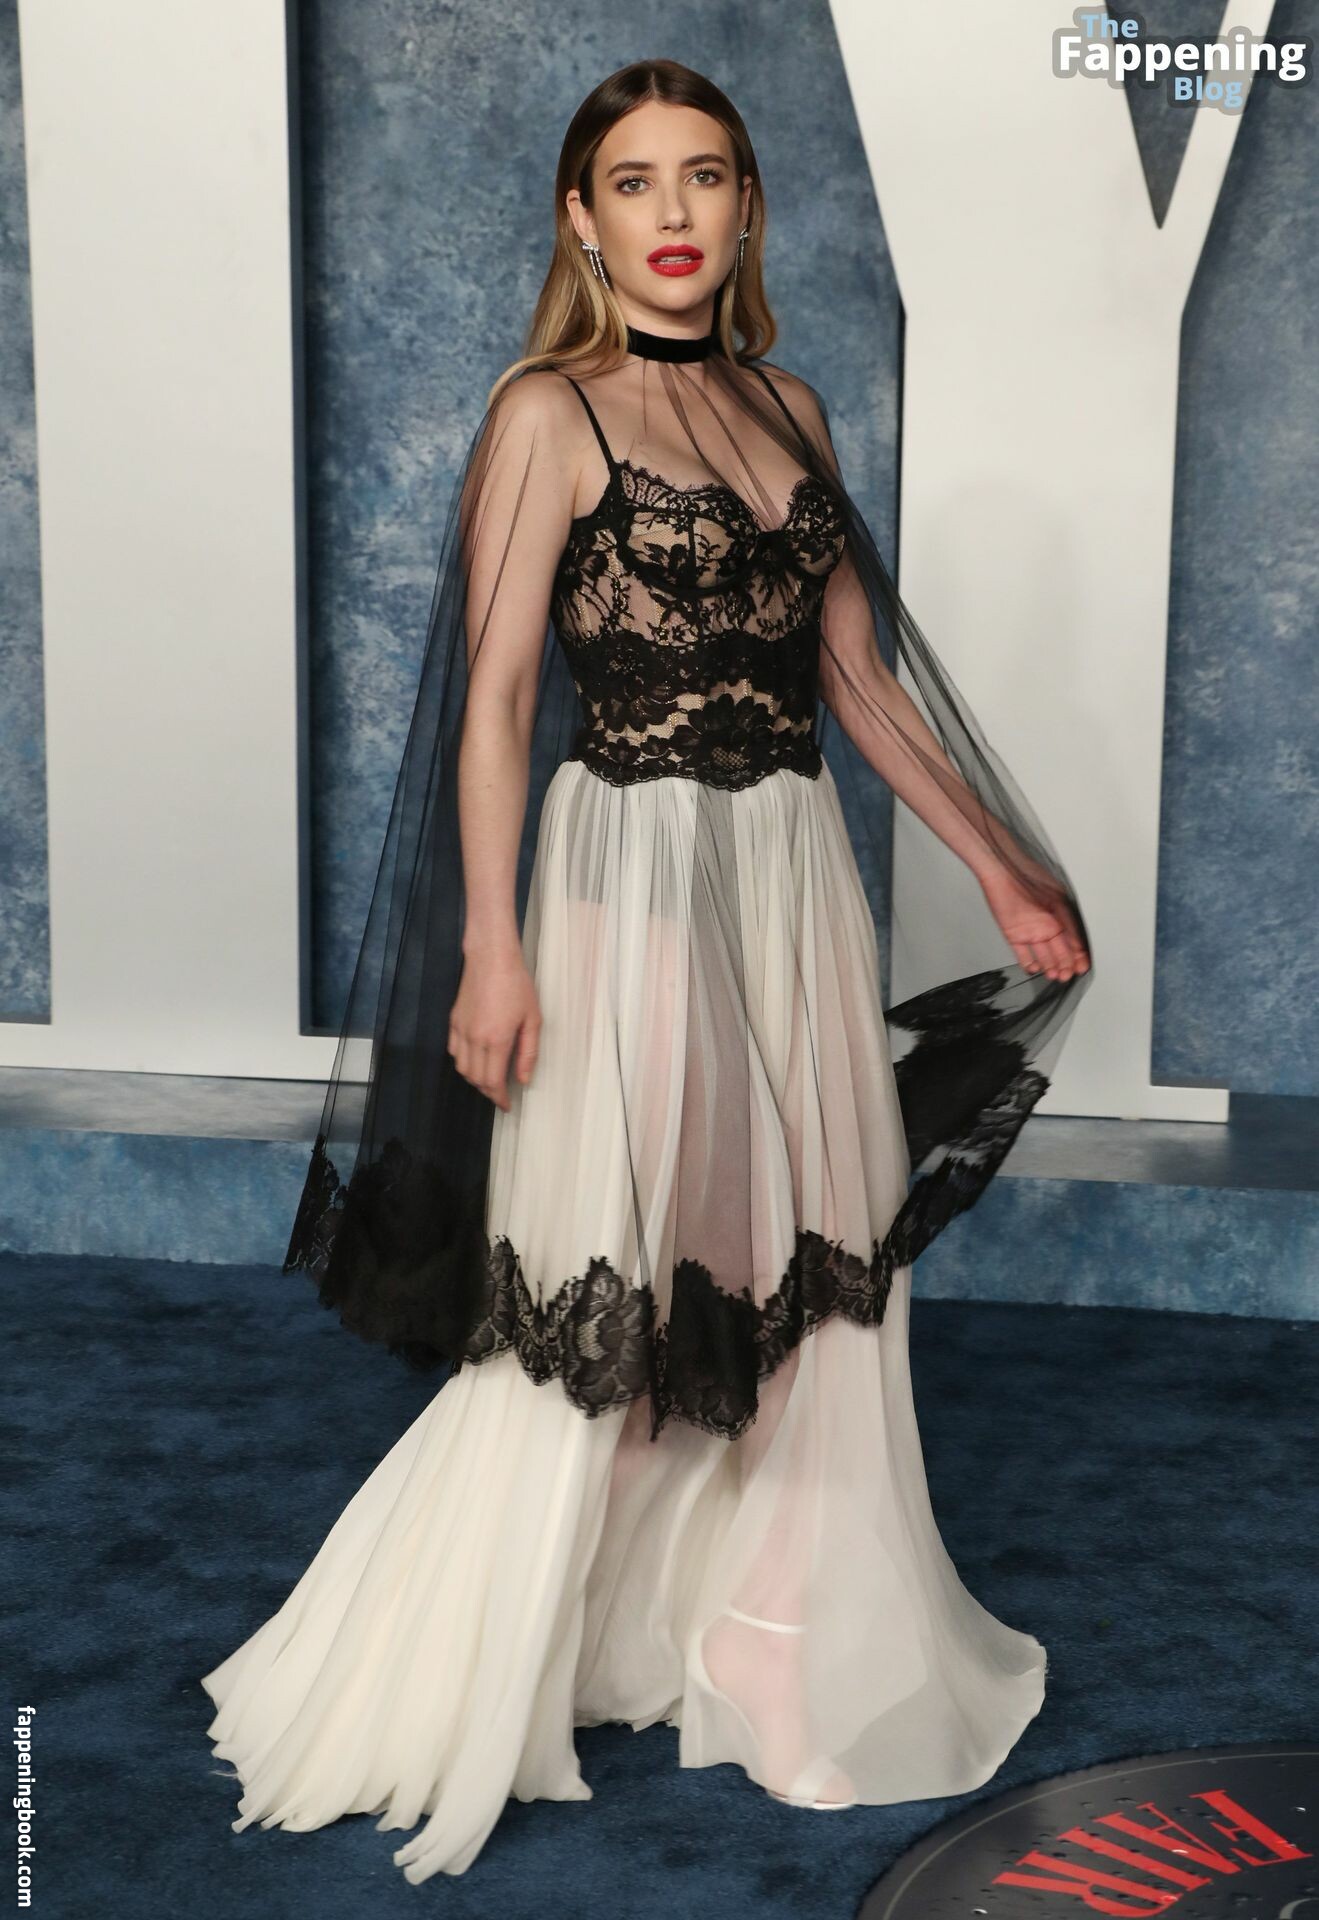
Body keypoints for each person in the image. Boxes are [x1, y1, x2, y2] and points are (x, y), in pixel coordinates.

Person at [201, 59, 1092, 1884]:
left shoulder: (792, 406)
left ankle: (787, 1649)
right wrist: (494, 945)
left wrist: (1001, 862)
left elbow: (857, 686)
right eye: (633, 180)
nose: (673, 212)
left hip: (792, 876)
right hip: (624, 876)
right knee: (607, 1271)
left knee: (809, 1258)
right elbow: (499, 702)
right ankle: (472, 1656)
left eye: (704, 177)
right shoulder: (546, 413)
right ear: (581, 219)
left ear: (747, 208)